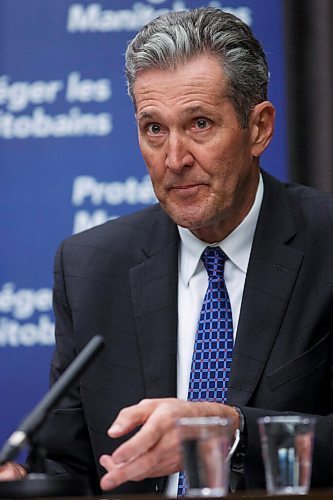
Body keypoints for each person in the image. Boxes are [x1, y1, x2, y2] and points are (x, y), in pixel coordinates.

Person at [1, 6, 333, 495]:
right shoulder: (91, 267)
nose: (174, 159)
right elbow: (71, 469)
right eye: (154, 128)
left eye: (199, 123)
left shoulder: (325, 244)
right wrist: (24, 484)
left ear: (259, 128)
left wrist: (229, 433)